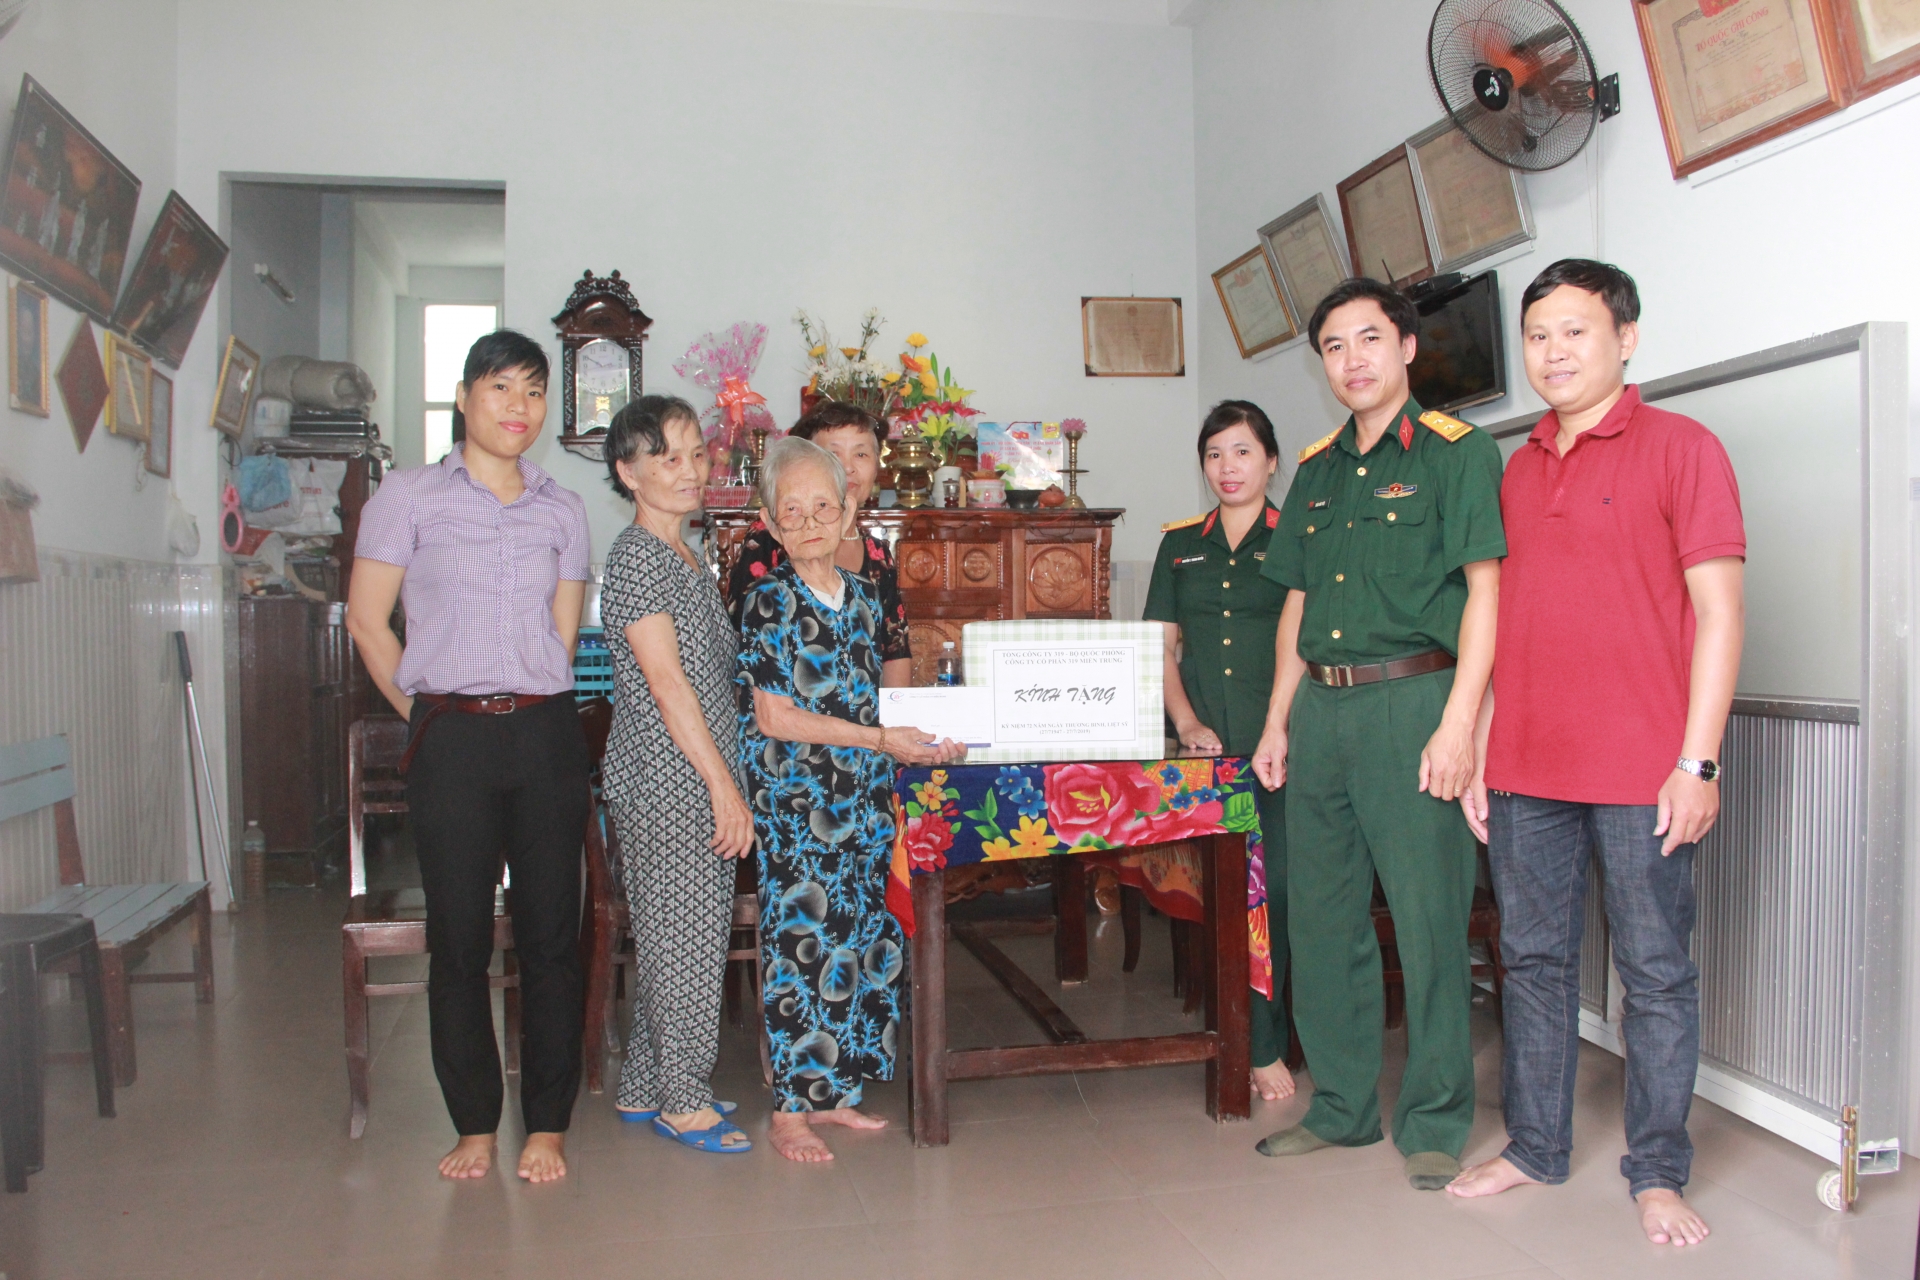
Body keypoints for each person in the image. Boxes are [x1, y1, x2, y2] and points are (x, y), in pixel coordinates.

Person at [1448, 260, 1743, 1248]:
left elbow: (1720, 613)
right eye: (1538, 335)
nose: (1553, 352)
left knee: (1653, 973)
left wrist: (1698, 762)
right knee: (1531, 963)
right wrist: (1483, 740)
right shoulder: (1517, 465)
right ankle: (1535, 1145)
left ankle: (1657, 1170)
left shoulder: (1684, 447)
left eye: (1575, 330)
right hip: (1527, 766)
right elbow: (1503, 616)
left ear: (1627, 336)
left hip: (1644, 771)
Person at [1250, 277, 1506, 1190]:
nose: (1352, 360)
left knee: (1430, 920)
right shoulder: (1316, 471)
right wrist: (1278, 719)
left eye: (1368, 339)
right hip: (1322, 710)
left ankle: (1434, 1118)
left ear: (1406, 347)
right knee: (1322, 919)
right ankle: (1343, 1107)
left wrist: (1460, 724)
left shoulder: (1458, 454)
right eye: (1334, 346)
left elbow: (1486, 595)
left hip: (1414, 703)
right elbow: (1297, 602)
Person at [345, 330, 591, 1183]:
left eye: (534, 391)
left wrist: (524, 703)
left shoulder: (564, 509)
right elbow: (367, 621)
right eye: (501, 387)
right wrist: (426, 717)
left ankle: (548, 1123)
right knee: (458, 939)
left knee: (552, 935)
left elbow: (561, 635)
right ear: (464, 396)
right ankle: (476, 1124)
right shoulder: (408, 497)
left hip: (545, 734)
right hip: (450, 736)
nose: (519, 407)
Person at [735, 436, 963, 1162]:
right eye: (792, 511)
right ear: (770, 522)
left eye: (822, 508)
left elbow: (880, 702)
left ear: (847, 515)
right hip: (798, 804)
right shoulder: (766, 602)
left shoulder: (865, 598)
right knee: (802, 945)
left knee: (865, 938)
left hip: (864, 800)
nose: (809, 523)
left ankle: (835, 1093)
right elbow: (775, 717)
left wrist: (930, 739)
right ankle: (789, 1110)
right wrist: (882, 740)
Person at [598, 395, 754, 1154]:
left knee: (677, 928)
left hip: (691, 768)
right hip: (669, 777)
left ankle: (644, 1085)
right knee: (685, 938)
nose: (690, 470)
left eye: (697, 454)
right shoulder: (636, 557)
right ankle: (683, 1102)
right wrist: (722, 786)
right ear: (629, 472)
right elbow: (667, 686)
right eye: (668, 458)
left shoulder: (684, 554)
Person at [1143, 399, 1296, 1103]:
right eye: (1214, 454)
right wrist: (1186, 722)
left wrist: (1279, 725)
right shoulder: (1180, 545)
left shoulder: (1299, 536)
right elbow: (1161, 648)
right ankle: (1249, 1038)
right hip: (1207, 754)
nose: (1227, 467)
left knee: (1281, 894)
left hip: (1282, 745)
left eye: (1242, 451)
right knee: (1229, 893)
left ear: (1271, 460)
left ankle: (1273, 1038)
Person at [727, 401, 910, 688]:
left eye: (861, 454)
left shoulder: (878, 554)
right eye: (832, 454)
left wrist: (892, 715)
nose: (848, 468)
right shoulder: (770, 537)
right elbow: (744, 644)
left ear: (877, 464)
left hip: (862, 707)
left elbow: (895, 650)